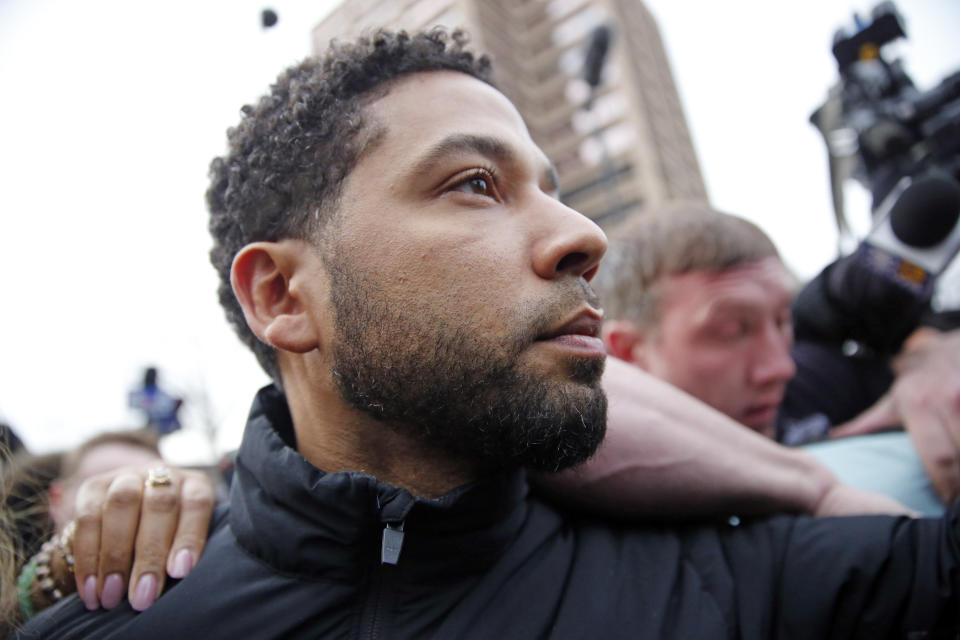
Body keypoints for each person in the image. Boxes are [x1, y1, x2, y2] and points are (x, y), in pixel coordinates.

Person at [18, 29, 959, 638]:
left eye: (553, 187)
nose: (584, 236)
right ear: (282, 296)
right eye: (475, 183)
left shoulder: (737, 581)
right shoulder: (115, 622)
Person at [594, 202, 958, 513]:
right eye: (732, 330)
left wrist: (930, 359)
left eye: (783, 320)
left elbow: (913, 357)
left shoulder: (811, 383)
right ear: (628, 351)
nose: (781, 368)